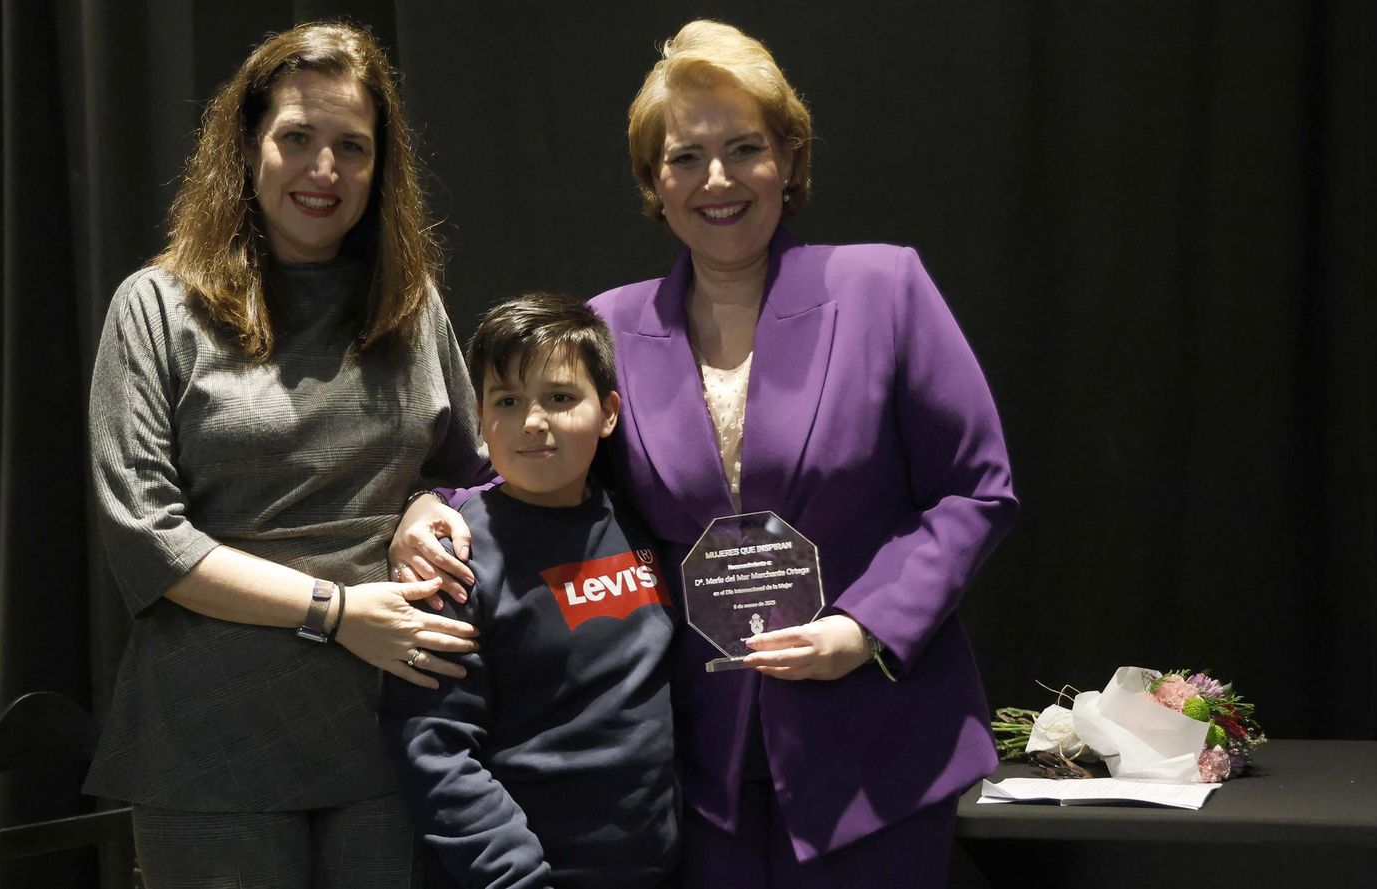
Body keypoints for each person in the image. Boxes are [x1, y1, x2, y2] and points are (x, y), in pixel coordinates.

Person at [394, 19, 1017, 888]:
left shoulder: (886, 288)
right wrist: (436, 504)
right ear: (654, 180)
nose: (715, 179)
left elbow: (976, 490)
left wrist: (864, 626)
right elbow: (545, 460)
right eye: (684, 157)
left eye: (743, 148)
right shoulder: (608, 322)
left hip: (875, 746)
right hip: (700, 768)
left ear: (790, 160)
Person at [85, 21, 488, 888]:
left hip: (393, 733)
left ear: (382, 168)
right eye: (297, 138)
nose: (325, 170)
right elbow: (150, 541)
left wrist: (428, 505)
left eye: (353, 147)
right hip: (212, 745)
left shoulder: (410, 307)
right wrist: (338, 610)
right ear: (246, 145)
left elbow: (468, 471)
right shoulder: (155, 307)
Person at [382, 293, 679, 889]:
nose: (533, 422)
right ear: (481, 417)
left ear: (610, 412)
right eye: (508, 401)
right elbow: (435, 750)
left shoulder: (645, 521)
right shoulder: (453, 558)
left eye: (561, 398)